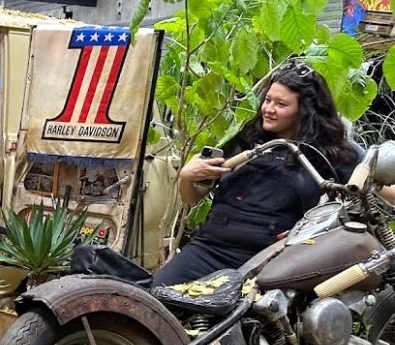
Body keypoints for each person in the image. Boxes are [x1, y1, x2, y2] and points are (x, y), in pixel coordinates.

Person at [153, 60, 377, 287]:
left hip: (269, 257)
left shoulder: (331, 152)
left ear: (305, 111)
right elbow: (191, 197)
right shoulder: (248, 140)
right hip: (209, 246)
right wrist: (187, 177)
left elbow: (381, 186)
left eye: (281, 104)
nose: (268, 109)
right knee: (153, 297)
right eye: (268, 100)